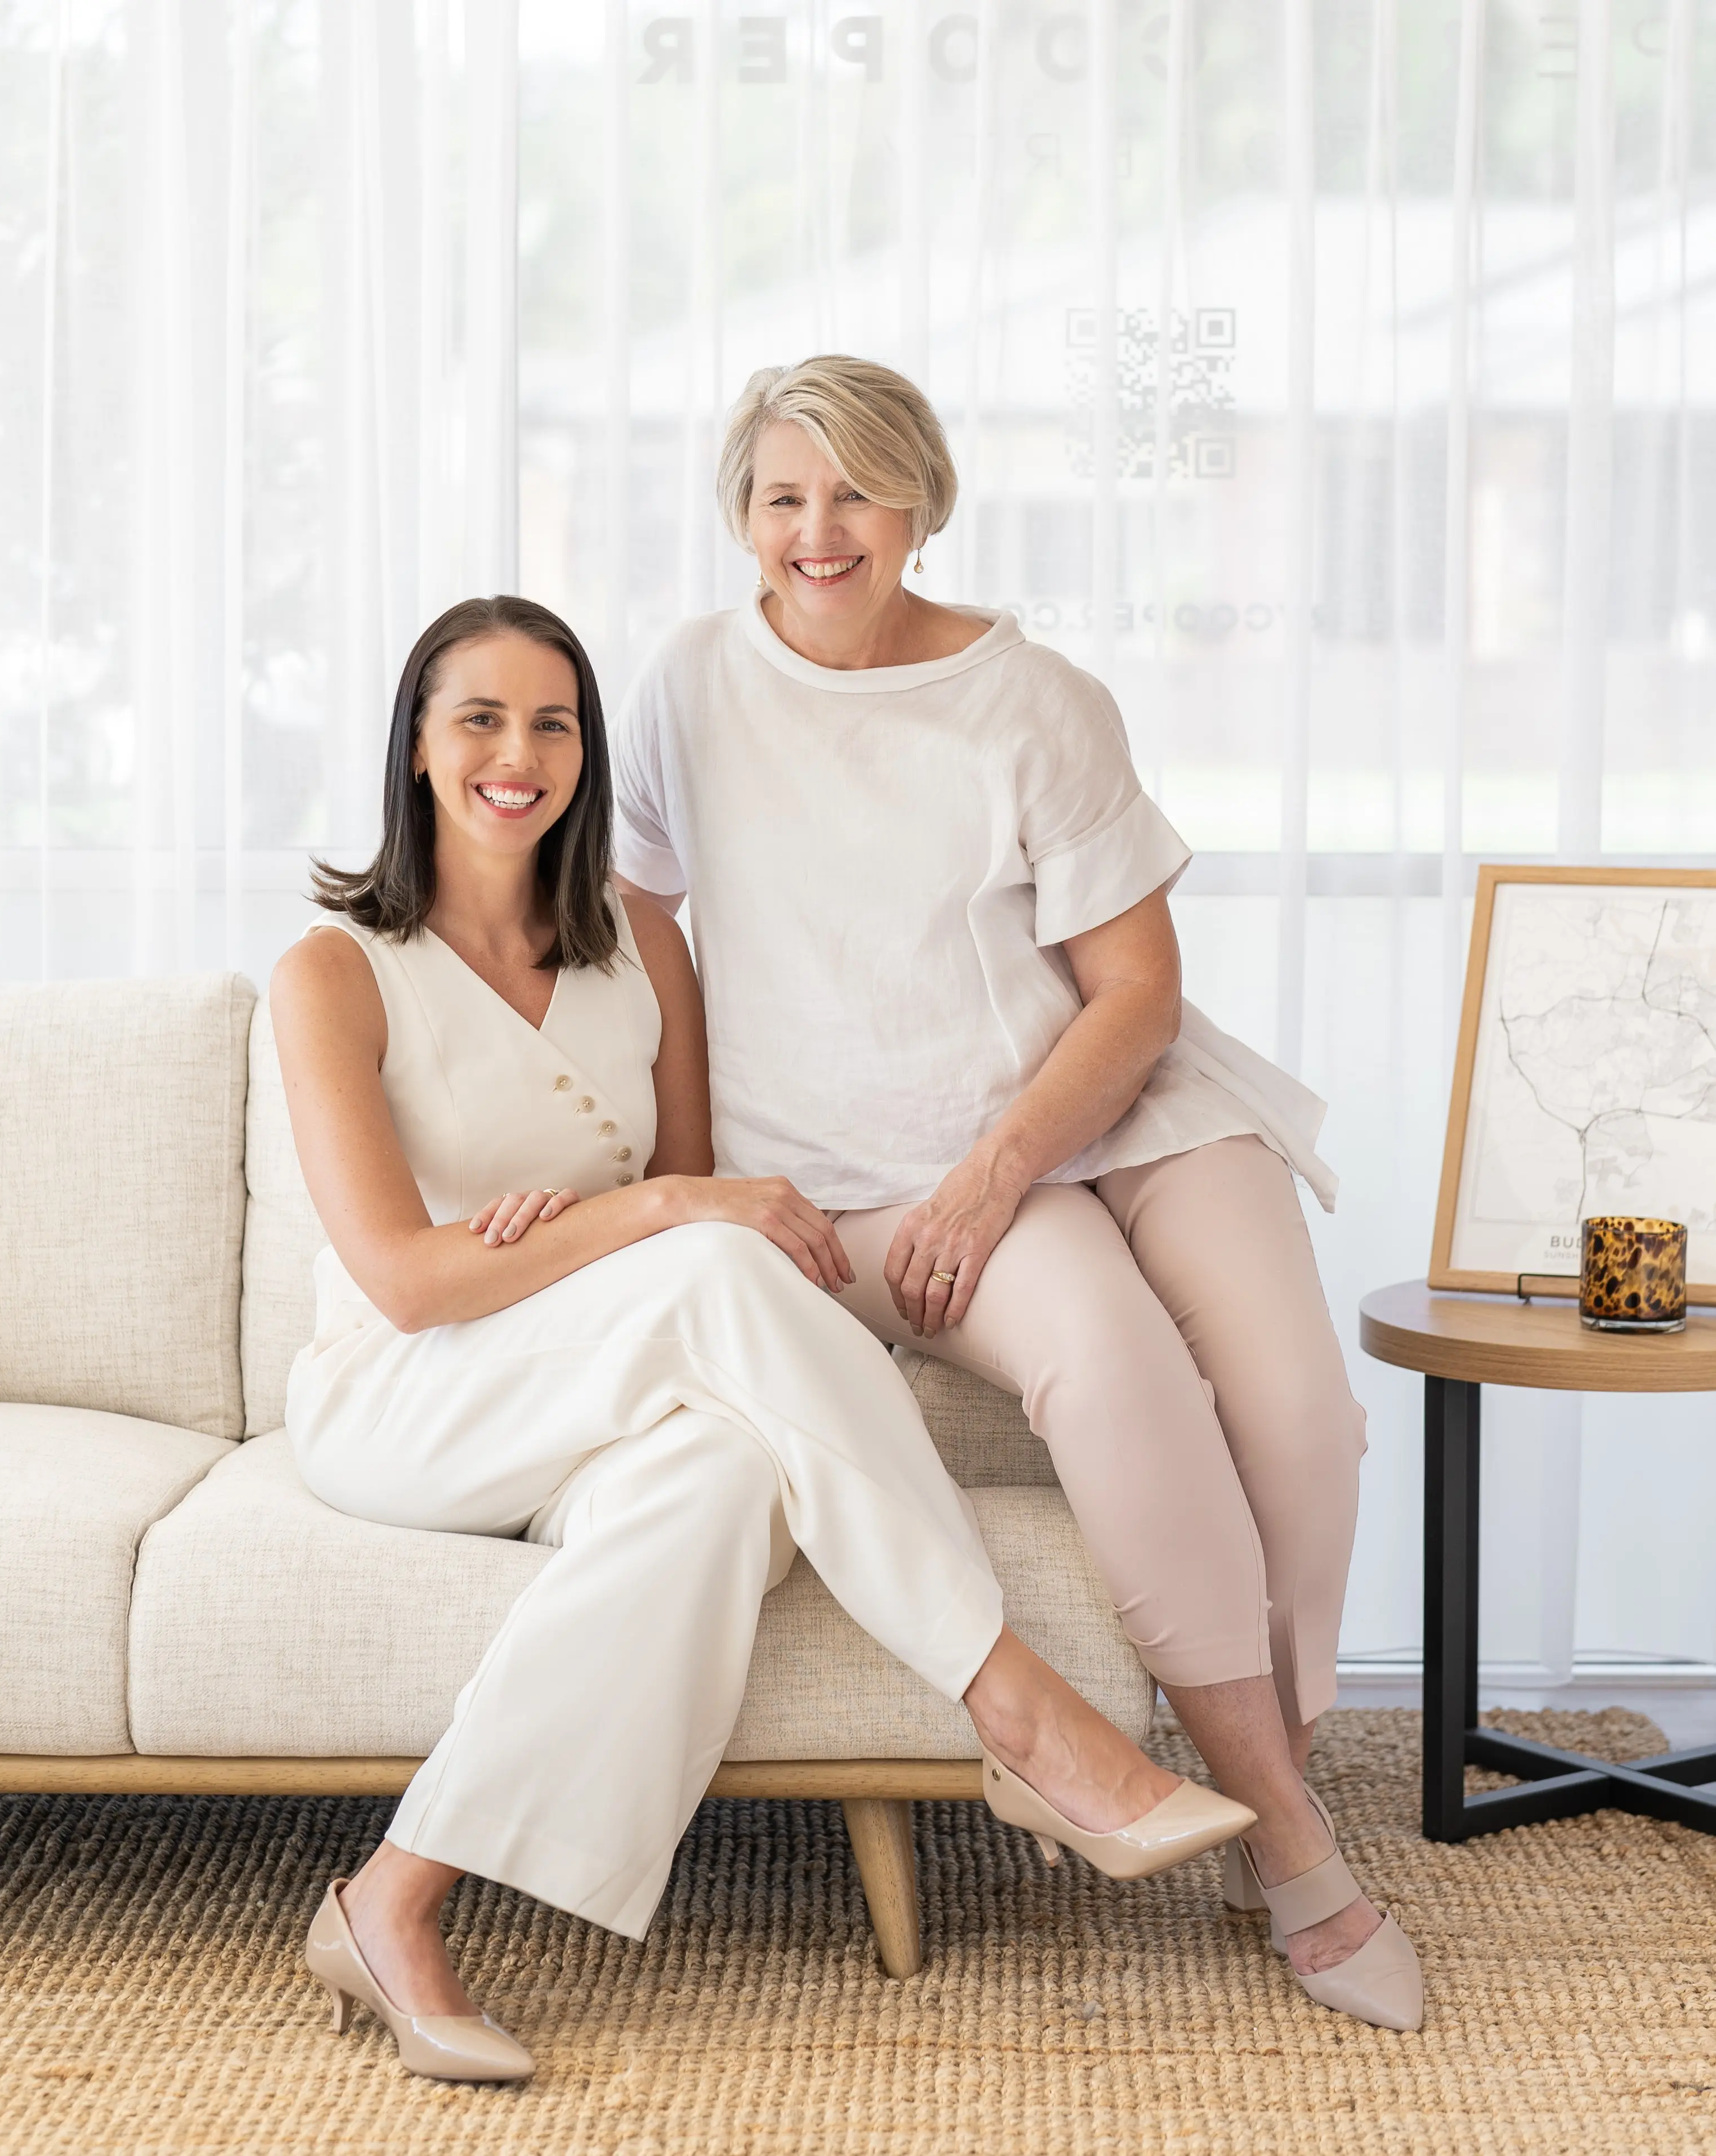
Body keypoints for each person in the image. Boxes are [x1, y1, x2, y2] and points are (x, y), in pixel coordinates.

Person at [271, 594, 1255, 2084]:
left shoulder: (639, 943)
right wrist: (631, 1215)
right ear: (415, 744)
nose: (516, 753)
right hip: (407, 1394)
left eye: (553, 721)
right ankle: (1018, 1705)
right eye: (479, 717)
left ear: (590, 753)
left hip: (600, 1374)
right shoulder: (336, 969)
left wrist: (622, 1220)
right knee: (722, 1264)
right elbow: (414, 1279)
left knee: (723, 1482)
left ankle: (393, 1899)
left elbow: (683, 1202)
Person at [609, 357, 1422, 2033]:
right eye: (782, 496)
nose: (818, 532)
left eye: (855, 493)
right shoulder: (689, 683)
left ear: (922, 501)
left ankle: (1270, 1744)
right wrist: (690, 1169)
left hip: (1111, 1104)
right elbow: (647, 931)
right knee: (1122, 1377)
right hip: (873, 1168)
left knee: (1301, 1416)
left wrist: (996, 1173)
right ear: (740, 518)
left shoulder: (1030, 696)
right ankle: (1292, 1845)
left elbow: (1132, 989)